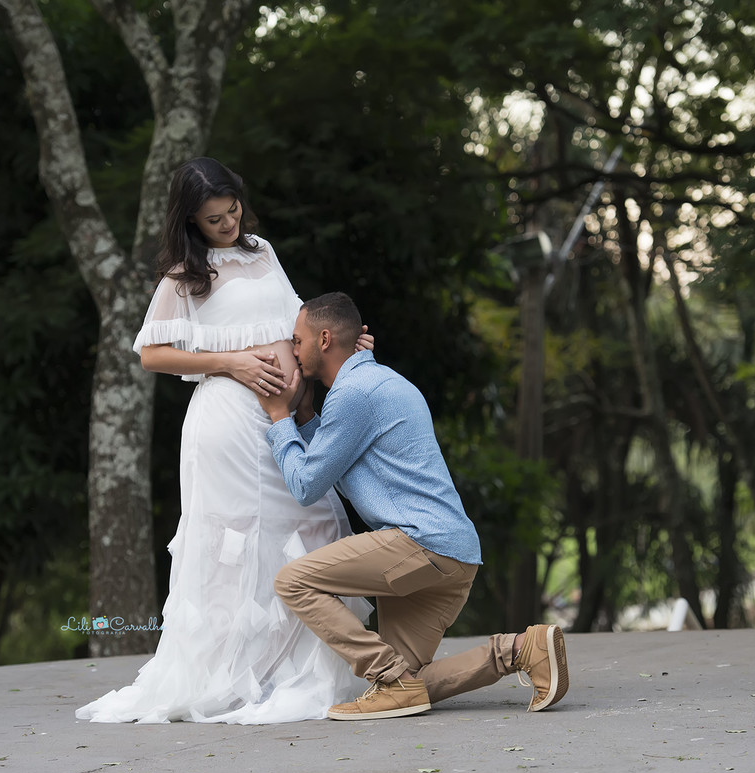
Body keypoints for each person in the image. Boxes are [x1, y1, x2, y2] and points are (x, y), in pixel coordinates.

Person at [76, 158, 372, 725]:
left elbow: (299, 326)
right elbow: (151, 354)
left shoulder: (261, 249)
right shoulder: (182, 276)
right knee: (235, 543)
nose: (228, 222)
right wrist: (232, 362)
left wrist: (343, 347)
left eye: (232, 208)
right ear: (190, 220)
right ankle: (232, 673)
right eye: (214, 218)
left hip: (282, 419)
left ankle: (302, 666)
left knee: (313, 523)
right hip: (227, 426)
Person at [257, 291, 569, 720]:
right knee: (405, 685)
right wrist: (307, 417)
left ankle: (385, 670)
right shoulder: (376, 382)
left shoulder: (355, 394)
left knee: (294, 581)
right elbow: (340, 474)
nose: (292, 350)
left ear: (324, 339)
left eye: (297, 340)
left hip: (420, 545)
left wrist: (279, 418)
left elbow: (307, 484)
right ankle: (520, 649)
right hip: (453, 555)